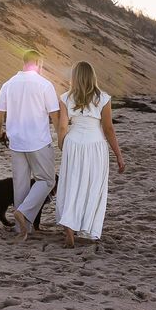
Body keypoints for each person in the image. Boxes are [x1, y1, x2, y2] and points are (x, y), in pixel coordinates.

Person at [53, 59, 125, 247]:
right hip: (95, 145)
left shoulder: (65, 98)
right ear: (93, 76)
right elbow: (108, 129)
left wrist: (62, 144)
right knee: (92, 186)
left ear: (74, 77)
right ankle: (86, 226)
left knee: (71, 184)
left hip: (73, 143)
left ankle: (69, 228)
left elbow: (63, 126)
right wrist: (118, 155)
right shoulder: (104, 99)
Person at [0, 49, 60, 239]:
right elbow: (55, 116)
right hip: (39, 142)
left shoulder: (8, 84)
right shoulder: (45, 84)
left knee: (20, 185)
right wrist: (61, 137)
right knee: (47, 180)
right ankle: (24, 213)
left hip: (16, 143)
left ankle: (22, 229)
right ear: (38, 63)